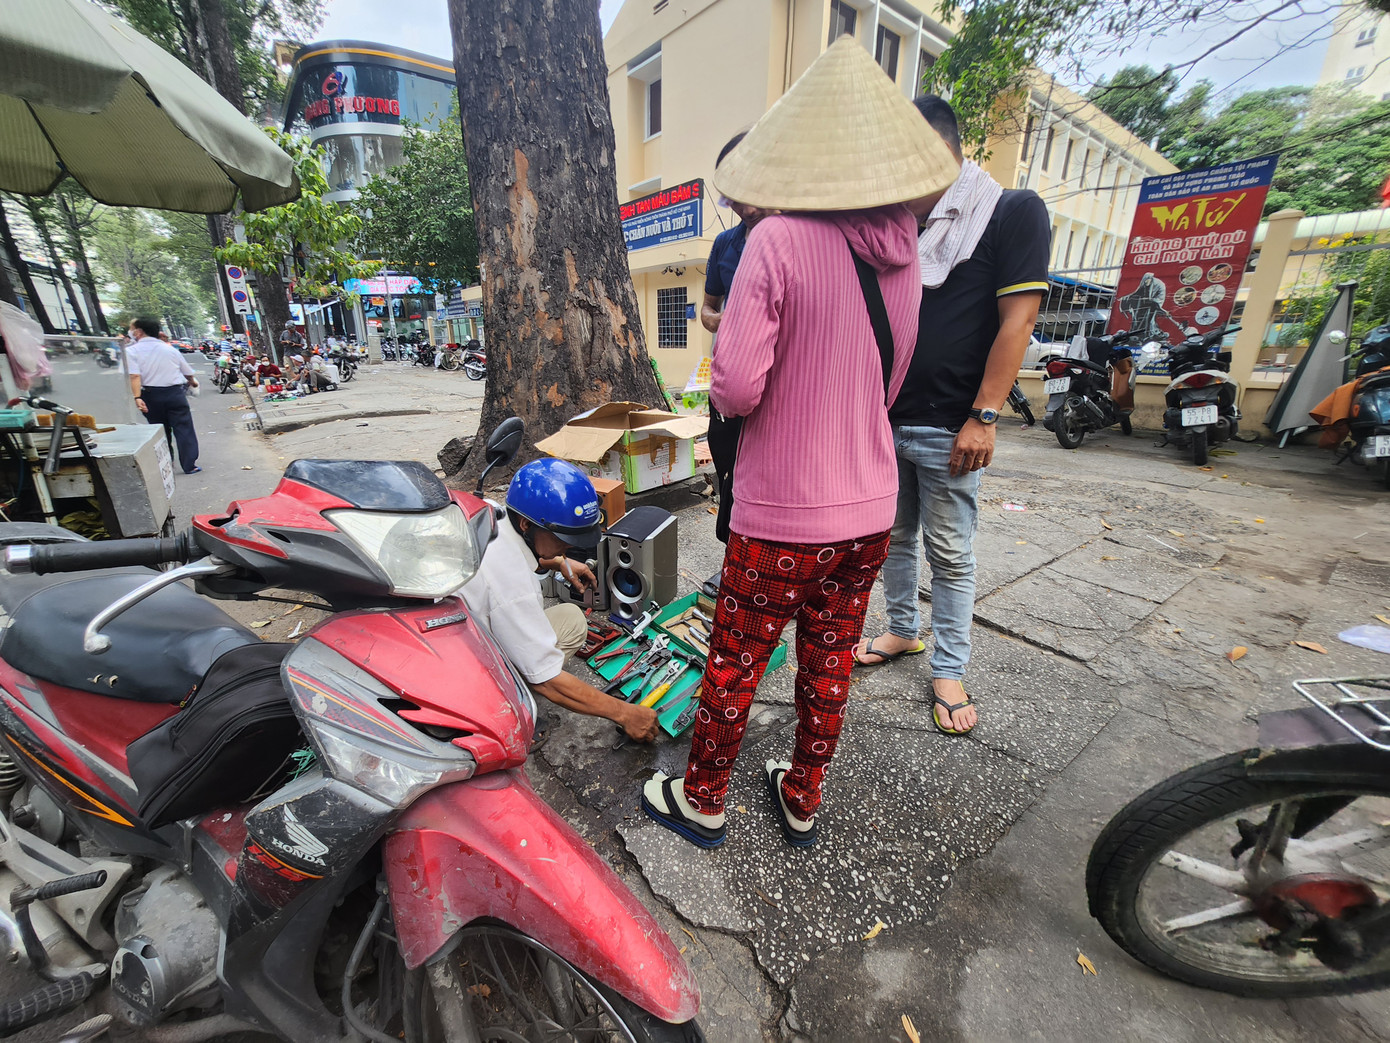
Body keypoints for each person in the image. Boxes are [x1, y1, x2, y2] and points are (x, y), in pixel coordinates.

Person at [639, 37, 959, 849]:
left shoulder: (775, 243)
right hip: (868, 510)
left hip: (782, 514)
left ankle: (704, 796)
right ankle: (803, 793)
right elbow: (887, 387)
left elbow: (738, 387)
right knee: (828, 660)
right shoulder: (904, 263)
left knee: (736, 660)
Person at [851, 95, 1049, 738]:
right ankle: (905, 632)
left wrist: (985, 415)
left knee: (951, 553)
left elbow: (1017, 321)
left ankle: (949, 665)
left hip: (952, 425)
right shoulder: (901, 232)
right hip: (889, 419)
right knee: (895, 541)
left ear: (937, 151)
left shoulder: (1008, 212)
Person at [455, 458, 658, 743]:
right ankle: (507, 709)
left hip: (459, 637)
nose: (571, 546)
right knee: (543, 666)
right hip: (461, 677)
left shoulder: (492, 511)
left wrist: (558, 561)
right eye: (563, 539)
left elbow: (523, 548)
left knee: (572, 620)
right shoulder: (513, 588)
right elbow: (548, 680)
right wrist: (625, 713)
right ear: (527, 524)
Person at [701, 132, 776, 544]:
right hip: (731, 380)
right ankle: (732, 543)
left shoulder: (794, 238)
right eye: (730, 198)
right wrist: (726, 321)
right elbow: (706, 309)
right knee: (728, 463)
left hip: (773, 386)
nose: (743, 207)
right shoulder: (725, 244)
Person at [125, 317, 201, 474]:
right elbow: (187, 372)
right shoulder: (170, 349)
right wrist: (192, 382)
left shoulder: (131, 351)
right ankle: (189, 465)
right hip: (175, 394)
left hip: (150, 395)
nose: (130, 332)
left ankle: (167, 465)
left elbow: (134, 376)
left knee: (160, 431)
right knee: (184, 428)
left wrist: (137, 397)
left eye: (131, 328)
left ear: (138, 332)